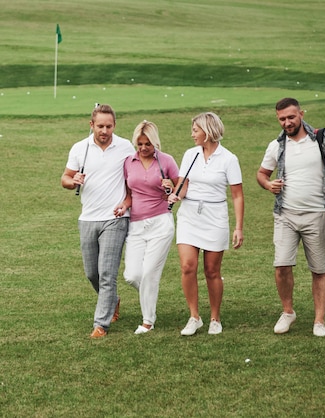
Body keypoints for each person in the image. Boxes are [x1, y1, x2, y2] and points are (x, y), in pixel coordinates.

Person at [257, 97, 325, 337]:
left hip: (318, 213)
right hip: (285, 214)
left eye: (291, 117)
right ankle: (288, 312)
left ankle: (319, 321)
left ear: (301, 114)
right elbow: (261, 173)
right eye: (282, 119)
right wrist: (268, 185)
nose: (287, 123)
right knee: (281, 266)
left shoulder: (323, 138)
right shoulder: (276, 146)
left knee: (319, 269)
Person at [61, 104, 134, 339]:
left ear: (114, 125)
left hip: (115, 218)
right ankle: (113, 299)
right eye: (100, 126)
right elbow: (64, 178)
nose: (105, 130)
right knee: (92, 273)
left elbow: (134, 180)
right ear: (91, 125)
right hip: (87, 218)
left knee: (106, 273)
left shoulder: (125, 147)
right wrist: (74, 181)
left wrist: (127, 202)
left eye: (109, 126)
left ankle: (101, 325)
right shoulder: (80, 148)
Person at [168, 112, 244, 336]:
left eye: (195, 130)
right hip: (190, 215)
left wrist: (238, 227)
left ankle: (215, 318)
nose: (192, 134)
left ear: (207, 131)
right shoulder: (190, 154)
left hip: (215, 217)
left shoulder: (229, 159)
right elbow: (183, 185)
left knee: (212, 270)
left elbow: (237, 195)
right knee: (187, 266)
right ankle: (194, 317)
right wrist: (175, 195)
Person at [116, 120, 179, 334]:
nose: (143, 148)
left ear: (155, 143)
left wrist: (171, 188)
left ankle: (147, 321)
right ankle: (149, 294)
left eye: (148, 144)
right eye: (139, 143)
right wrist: (123, 205)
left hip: (161, 223)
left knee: (150, 272)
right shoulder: (128, 162)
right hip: (136, 225)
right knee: (132, 275)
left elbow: (180, 186)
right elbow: (130, 195)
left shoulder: (166, 161)